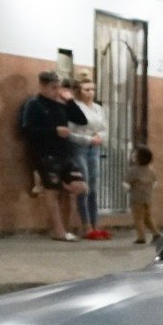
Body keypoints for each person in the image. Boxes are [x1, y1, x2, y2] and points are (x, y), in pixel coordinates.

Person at [20, 70, 88, 241]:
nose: (57, 91)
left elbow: (82, 120)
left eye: (58, 87)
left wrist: (70, 101)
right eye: (53, 87)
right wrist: (54, 131)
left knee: (79, 187)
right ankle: (59, 231)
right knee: (52, 191)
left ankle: (66, 228)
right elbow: (27, 130)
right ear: (42, 86)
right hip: (46, 154)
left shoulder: (60, 104)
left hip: (65, 153)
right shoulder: (34, 105)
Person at [68, 75, 109, 239]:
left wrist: (100, 137)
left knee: (93, 185)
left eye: (92, 89)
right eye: (86, 90)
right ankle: (86, 225)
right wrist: (89, 139)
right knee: (83, 185)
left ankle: (95, 223)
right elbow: (70, 132)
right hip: (80, 147)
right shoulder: (75, 107)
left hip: (94, 147)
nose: (90, 93)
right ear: (79, 90)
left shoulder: (98, 108)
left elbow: (104, 128)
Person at [124, 146, 161, 244]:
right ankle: (156, 233)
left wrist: (127, 189)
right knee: (147, 217)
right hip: (147, 198)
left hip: (136, 199)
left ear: (138, 158)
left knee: (138, 218)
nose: (133, 155)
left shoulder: (133, 170)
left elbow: (126, 183)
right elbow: (155, 183)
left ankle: (141, 237)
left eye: (135, 154)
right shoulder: (151, 170)